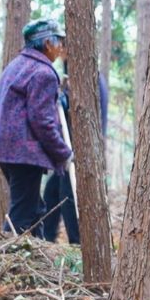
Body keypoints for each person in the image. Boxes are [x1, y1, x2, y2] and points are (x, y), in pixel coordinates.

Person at [0, 19, 72, 237]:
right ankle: (9, 264)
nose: (61, 47)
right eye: (58, 42)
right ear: (47, 44)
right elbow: (42, 120)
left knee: (35, 210)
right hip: (24, 154)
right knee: (21, 216)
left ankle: (37, 260)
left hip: (7, 151)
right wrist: (63, 152)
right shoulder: (43, 73)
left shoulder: (15, 65)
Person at [41, 70, 110, 245]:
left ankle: (78, 244)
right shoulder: (69, 76)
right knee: (51, 193)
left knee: (69, 195)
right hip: (68, 150)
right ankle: (46, 240)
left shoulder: (89, 77)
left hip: (78, 151)